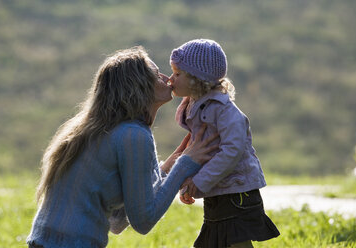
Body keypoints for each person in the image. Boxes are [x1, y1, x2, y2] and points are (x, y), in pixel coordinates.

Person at [26, 46, 219, 248]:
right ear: (138, 86)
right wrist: (185, 164)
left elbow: (117, 221)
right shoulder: (133, 135)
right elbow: (143, 221)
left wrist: (166, 170)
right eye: (155, 74)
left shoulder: (98, 129)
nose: (166, 78)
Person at [169, 39, 280, 248]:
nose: (170, 80)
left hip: (236, 191)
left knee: (237, 242)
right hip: (218, 188)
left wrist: (199, 182)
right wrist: (188, 181)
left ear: (196, 78)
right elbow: (199, 152)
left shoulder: (223, 110)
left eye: (177, 74)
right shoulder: (197, 106)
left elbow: (232, 151)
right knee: (216, 241)